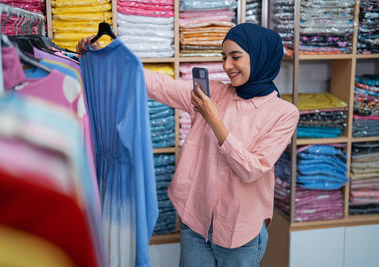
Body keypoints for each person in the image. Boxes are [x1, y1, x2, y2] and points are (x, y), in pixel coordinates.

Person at [77, 23, 299, 267]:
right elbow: (162, 86)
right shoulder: (212, 92)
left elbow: (252, 169)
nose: (227, 66)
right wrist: (108, 57)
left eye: (236, 57)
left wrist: (214, 120)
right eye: (224, 57)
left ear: (260, 56)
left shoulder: (284, 113)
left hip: (241, 233)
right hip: (196, 221)